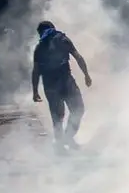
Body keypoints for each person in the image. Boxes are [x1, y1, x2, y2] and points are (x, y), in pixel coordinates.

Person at [31, 21, 93, 153]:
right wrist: (86, 75)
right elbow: (78, 57)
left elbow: (36, 71)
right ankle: (67, 138)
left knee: (57, 117)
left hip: (51, 86)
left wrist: (35, 91)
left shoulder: (39, 48)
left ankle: (61, 144)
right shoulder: (63, 40)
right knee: (78, 109)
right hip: (66, 82)